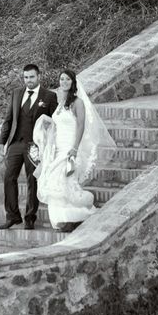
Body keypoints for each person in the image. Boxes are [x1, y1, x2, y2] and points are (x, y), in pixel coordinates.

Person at [33, 69, 118, 232]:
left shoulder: (77, 102)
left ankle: (72, 218)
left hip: (69, 148)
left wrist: (75, 148)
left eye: (67, 79)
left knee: (64, 181)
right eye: (61, 79)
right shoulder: (60, 102)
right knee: (54, 182)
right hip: (57, 148)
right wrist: (47, 122)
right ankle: (63, 219)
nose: (64, 82)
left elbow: (80, 125)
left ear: (73, 82)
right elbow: (59, 124)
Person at [0, 64, 58, 230]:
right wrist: (2, 142)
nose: (28, 80)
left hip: (35, 145)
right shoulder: (17, 94)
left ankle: (30, 217)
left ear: (38, 76)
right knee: (9, 178)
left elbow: (55, 124)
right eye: (26, 77)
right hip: (16, 143)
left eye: (31, 77)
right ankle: (13, 216)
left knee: (33, 180)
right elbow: (8, 119)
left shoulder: (49, 96)